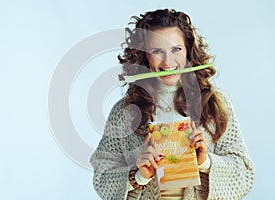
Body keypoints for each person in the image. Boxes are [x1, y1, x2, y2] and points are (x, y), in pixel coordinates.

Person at [90, 8, 255, 200]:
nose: (168, 61)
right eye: (157, 51)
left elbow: (245, 174)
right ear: (144, 55)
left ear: (188, 51)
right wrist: (139, 176)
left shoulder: (215, 104)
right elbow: (102, 177)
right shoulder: (124, 112)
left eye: (176, 49)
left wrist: (205, 162)